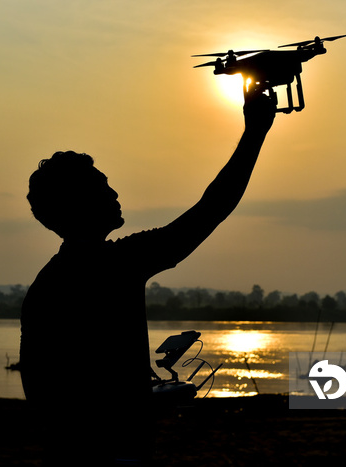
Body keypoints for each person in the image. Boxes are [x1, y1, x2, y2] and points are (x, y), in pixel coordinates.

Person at [20, 91, 276, 465]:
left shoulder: (47, 284)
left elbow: (41, 388)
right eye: (102, 186)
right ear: (81, 204)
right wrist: (255, 132)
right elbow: (210, 210)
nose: (114, 192)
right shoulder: (116, 264)